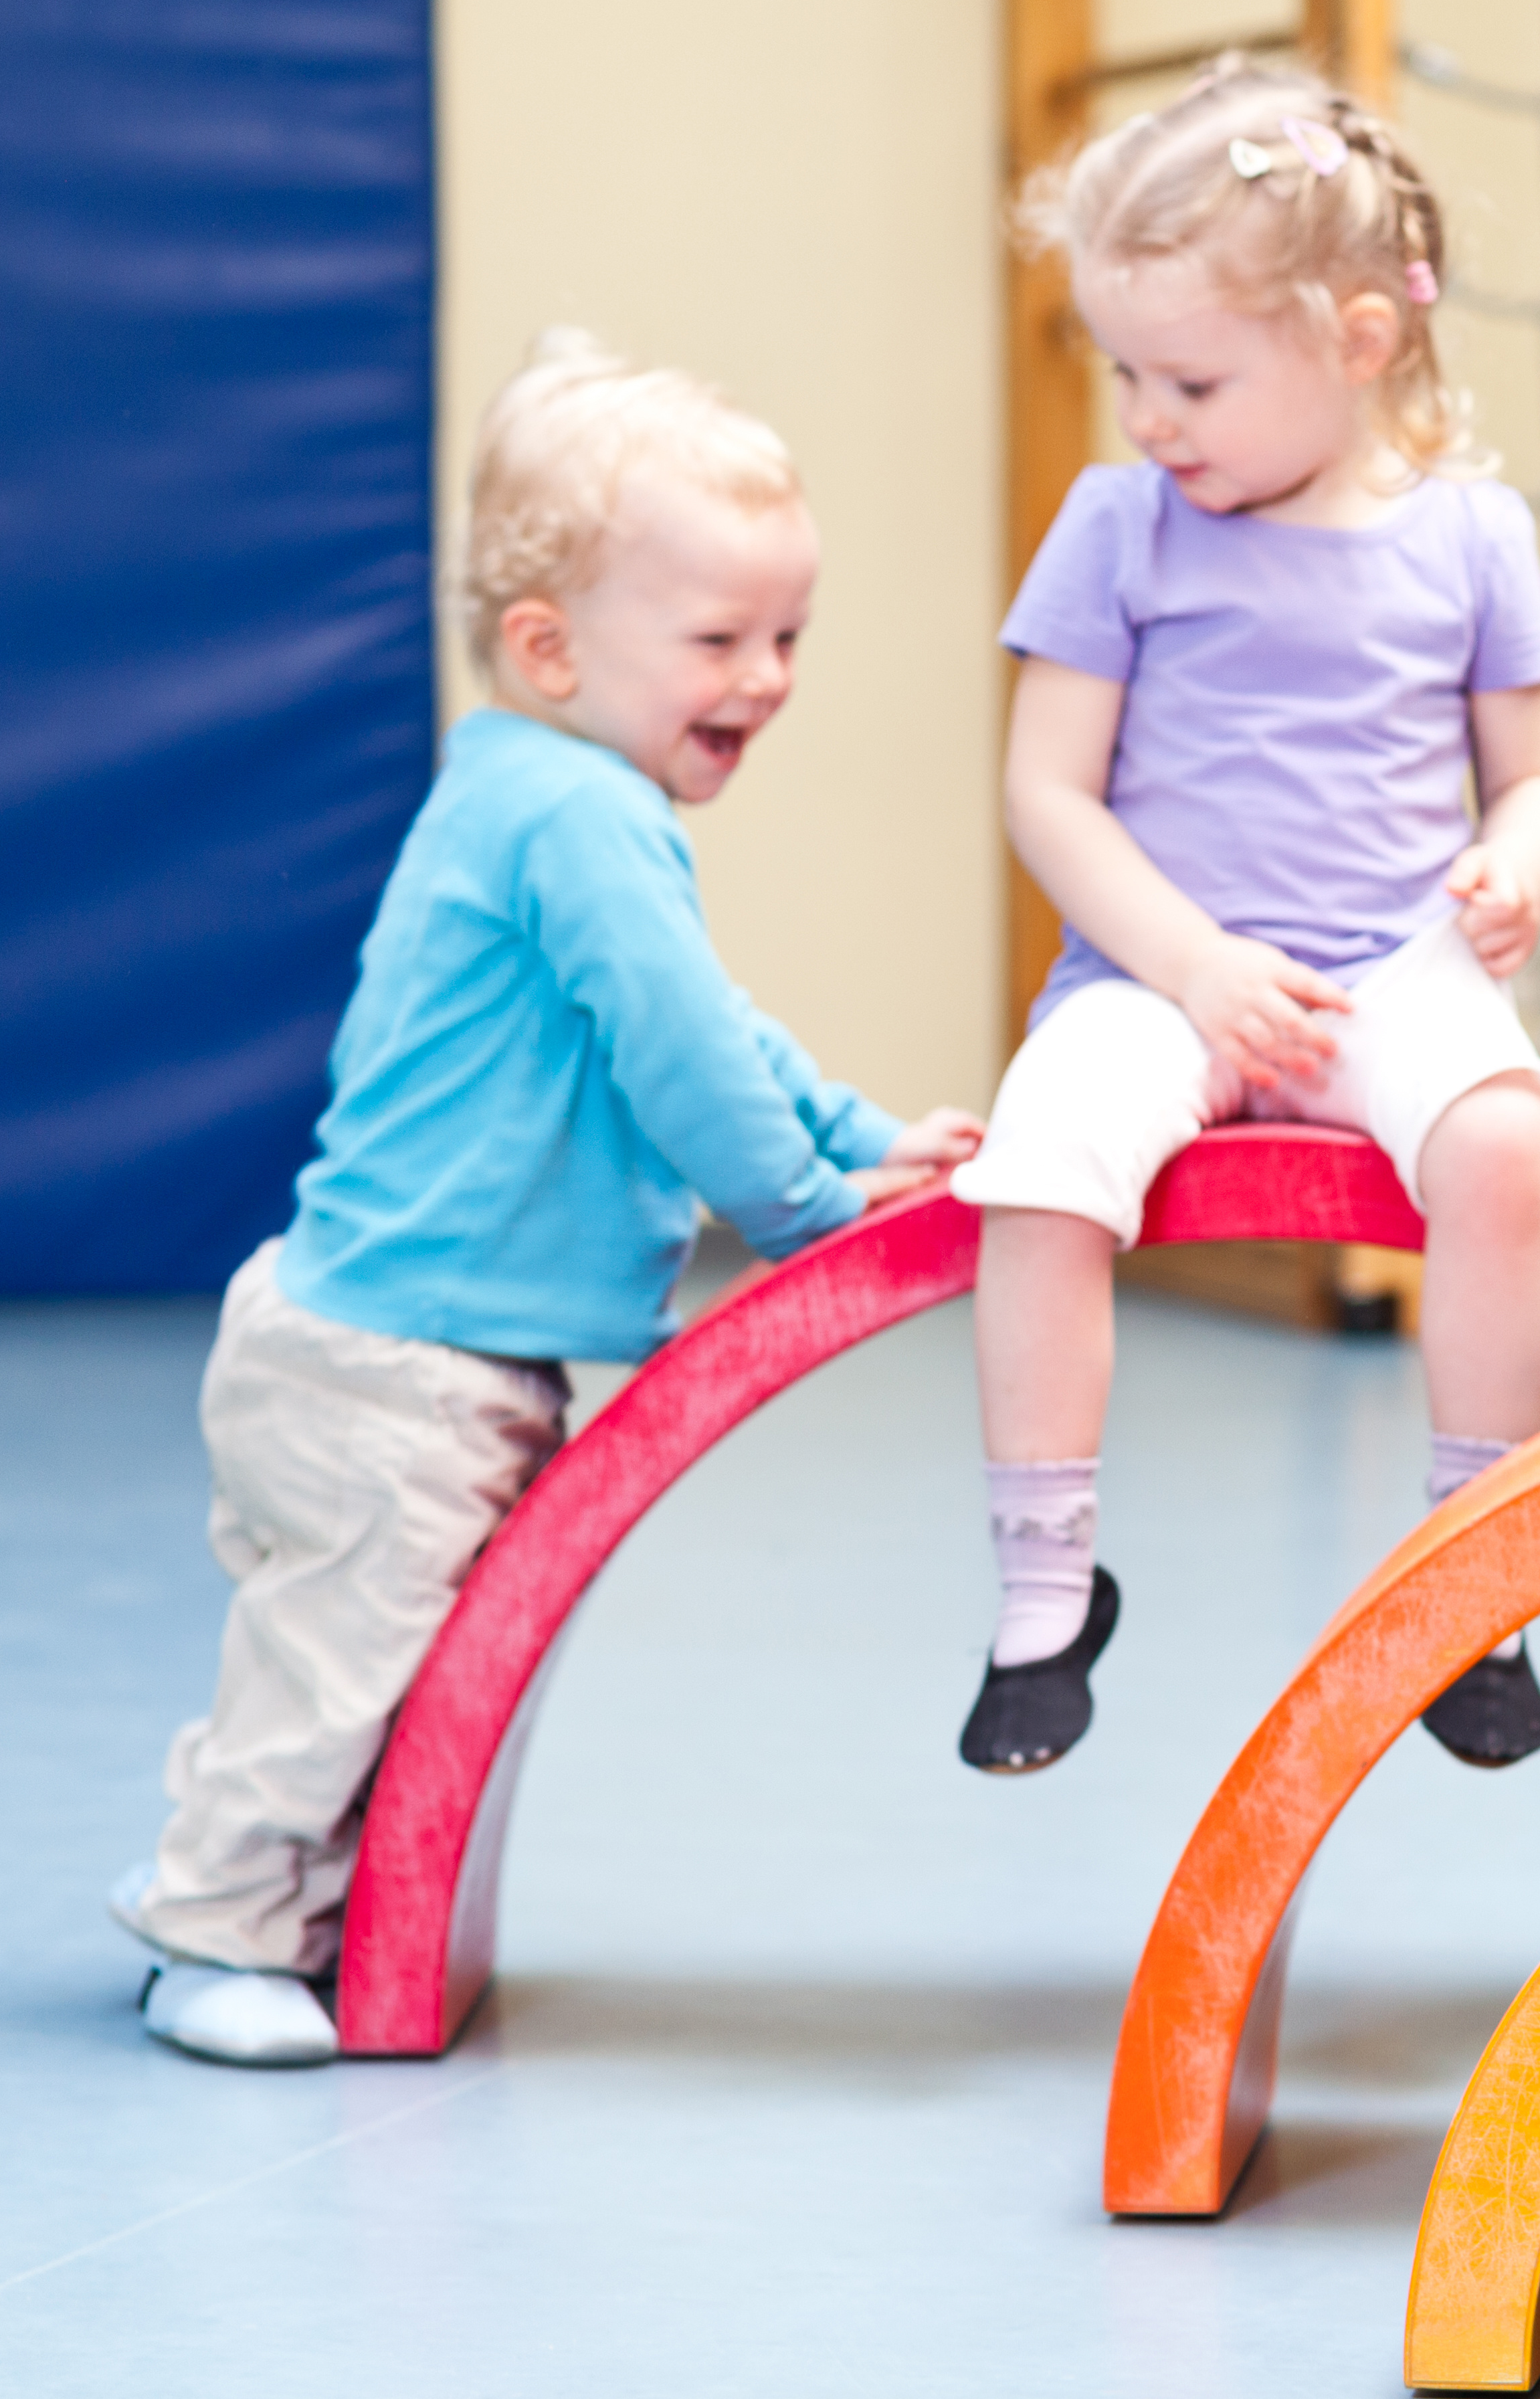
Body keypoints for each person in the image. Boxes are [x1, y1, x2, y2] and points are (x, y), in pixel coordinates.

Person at [111, 331, 983, 2066]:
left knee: (390, 1660)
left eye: (790, 637)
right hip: (389, 1361)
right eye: (721, 641)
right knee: (337, 1659)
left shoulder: (548, 797)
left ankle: (316, 1915)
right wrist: (819, 1207)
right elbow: (682, 1061)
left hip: (433, 1350)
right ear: (548, 646)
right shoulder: (575, 820)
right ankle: (207, 1937)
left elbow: (719, 1028)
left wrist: (869, 1134)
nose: (771, 677)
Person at [948, 60, 1540, 1775]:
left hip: (1393, 972)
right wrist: (1194, 968)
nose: (1151, 416)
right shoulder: (1121, 526)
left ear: (1362, 340)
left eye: (1194, 379)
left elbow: (1536, 776)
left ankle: (1481, 1573)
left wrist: (1516, 866)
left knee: (1512, 1154)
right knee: (1040, 1166)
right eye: (1127, 373)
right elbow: (1048, 795)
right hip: (1165, 978)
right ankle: (1044, 1587)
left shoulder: (1469, 536)